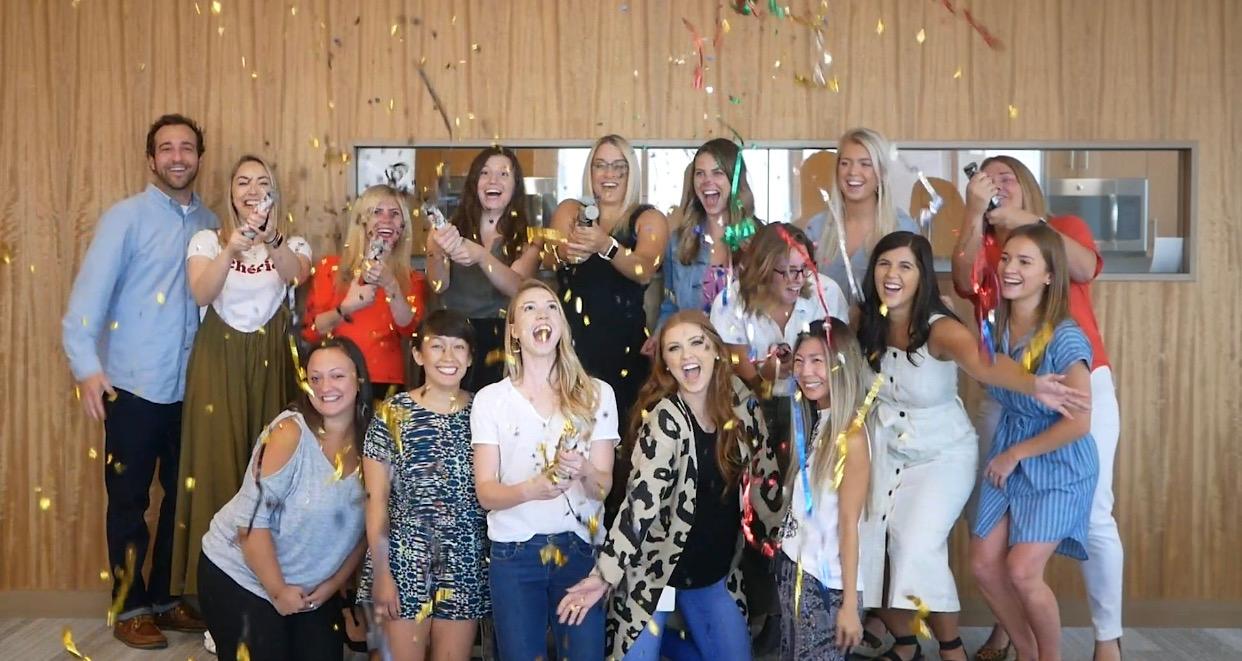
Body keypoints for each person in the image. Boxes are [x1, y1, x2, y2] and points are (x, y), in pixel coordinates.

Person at [854, 231, 1088, 661]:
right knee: (872, 542)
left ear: (923, 276)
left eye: (905, 266)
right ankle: (907, 644)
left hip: (943, 453)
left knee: (917, 544)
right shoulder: (865, 319)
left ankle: (952, 649)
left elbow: (985, 363)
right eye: (884, 264)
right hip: (886, 450)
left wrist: (1034, 385)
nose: (892, 274)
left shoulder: (942, 329)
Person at [952, 156, 1123, 661]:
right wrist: (975, 214)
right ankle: (1012, 634)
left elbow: (1084, 267)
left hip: (1075, 385)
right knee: (994, 534)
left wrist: (1029, 225)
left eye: (1007, 176)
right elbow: (963, 283)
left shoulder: (1060, 227)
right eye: (988, 178)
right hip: (1012, 397)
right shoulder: (986, 248)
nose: (1010, 269)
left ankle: (1108, 638)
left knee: (1095, 514)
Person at [61, 113, 216, 649]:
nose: (177, 157)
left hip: (191, 389)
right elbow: (88, 296)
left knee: (181, 500)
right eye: (166, 148)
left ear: (199, 158)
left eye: (187, 148)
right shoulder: (125, 218)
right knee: (128, 502)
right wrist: (87, 368)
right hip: (130, 386)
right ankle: (130, 606)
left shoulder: (212, 224)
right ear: (152, 159)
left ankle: (167, 599)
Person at [557, 310, 782, 660]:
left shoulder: (741, 401)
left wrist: (781, 541)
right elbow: (638, 507)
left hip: (713, 574)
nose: (687, 355)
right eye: (674, 348)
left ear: (716, 350)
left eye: (697, 343)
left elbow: (765, 476)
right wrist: (604, 576)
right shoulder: (664, 421)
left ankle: (668, 647)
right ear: (665, 363)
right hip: (654, 574)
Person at [171, 154, 312, 599]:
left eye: (262, 182)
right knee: (216, 465)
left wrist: (270, 238)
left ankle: (266, 587)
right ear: (231, 192)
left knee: (270, 472)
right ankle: (212, 595)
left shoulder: (293, 242)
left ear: (274, 191)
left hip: (272, 362)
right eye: (243, 182)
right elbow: (201, 292)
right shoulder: (207, 240)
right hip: (219, 361)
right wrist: (231, 249)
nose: (253, 190)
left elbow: (295, 275)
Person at [709, 221, 847, 653]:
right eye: (784, 271)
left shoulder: (825, 293)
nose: (795, 280)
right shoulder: (733, 301)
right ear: (762, 268)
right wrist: (768, 372)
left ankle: (807, 605)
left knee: (806, 507)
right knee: (758, 512)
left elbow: (843, 357)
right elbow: (738, 372)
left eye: (802, 270)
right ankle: (763, 610)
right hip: (753, 410)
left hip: (815, 406)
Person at [471, 280, 618, 661]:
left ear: (562, 326)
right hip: (514, 555)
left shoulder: (597, 393)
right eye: (529, 308)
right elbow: (486, 493)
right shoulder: (490, 400)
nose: (542, 314)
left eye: (551, 307)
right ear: (514, 331)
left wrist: (583, 469)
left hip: (580, 552)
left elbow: (603, 487)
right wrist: (532, 488)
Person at [970, 224, 1099, 661]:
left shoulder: (1065, 336)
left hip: (1059, 460)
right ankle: (1027, 652)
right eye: (1006, 259)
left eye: (1025, 262)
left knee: (1022, 571)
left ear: (1049, 275)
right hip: (1011, 445)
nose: (1009, 268)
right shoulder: (993, 326)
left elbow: (1080, 423)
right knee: (983, 565)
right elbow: (985, 373)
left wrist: (1015, 454)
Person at [197, 337, 371, 661]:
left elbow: (367, 530)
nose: (325, 387)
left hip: (310, 588)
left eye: (337, 376)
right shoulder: (288, 433)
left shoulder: (373, 441)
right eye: (315, 378)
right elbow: (250, 523)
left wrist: (334, 584)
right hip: (241, 575)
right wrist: (277, 591)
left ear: (359, 379)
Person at [358, 310, 490, 660]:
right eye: (437, 346)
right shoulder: (392, 413)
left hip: (465, 559)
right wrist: (382, 573)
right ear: (418, 355)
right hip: (405, 558)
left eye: (458, 347)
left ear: (470, 358)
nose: (448, 357)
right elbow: (376, 500)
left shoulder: (486, 411)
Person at [546, 134, 669, 423]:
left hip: (625, 350)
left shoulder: (648, 218)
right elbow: (548, 257)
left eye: (618, 167)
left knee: (623, 433)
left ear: (630, 173)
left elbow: (644, 271)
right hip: (571, 346)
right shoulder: (571, 210)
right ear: (590, 172)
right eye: (600, 165)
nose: (609, 174)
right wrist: (566, 252)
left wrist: (606, 246)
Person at [776, 318, 872, 661]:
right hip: (795, 568)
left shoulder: (852, 437)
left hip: (825, 586)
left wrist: (849, 605)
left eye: (818, 360)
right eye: (800, 361)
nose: (806, 371)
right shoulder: (820, 421)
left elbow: (849, 524)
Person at [426, 146, 541, 392]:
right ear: (474, 182)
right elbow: (438, 285)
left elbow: (518, 287)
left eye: (503, 174)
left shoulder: (529, 237)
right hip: (453, 336)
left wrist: (480, 256)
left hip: (503, 340)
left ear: (515, 185)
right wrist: (435, 248)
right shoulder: (452, 230)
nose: (493, 180)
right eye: (485, 173)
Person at [304, 184, 427, 396]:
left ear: (403, 226)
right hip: (336, 378)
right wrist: (346, 308)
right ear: (362, 221)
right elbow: (312, 330)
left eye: (394, 214)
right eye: (377, 212)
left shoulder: (411, 278)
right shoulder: (330, 268)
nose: (386, 220)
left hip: (385, 380)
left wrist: (391, 285)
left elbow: (411, 331)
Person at [799, 127, 921, 305]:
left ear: (881, 173)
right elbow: (802, 293)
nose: (853, 172)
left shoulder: (903, 229)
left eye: (865, 164)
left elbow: (917, 296)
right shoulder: (816, 228)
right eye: (845, 163)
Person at [654, 138, 756, 336]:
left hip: (746, 351)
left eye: (717, 173)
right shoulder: (678, 242)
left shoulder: (760, 240)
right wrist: (659, 334)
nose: (707, 181)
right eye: (700, 174)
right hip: (693, 349)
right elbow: (671, 306)